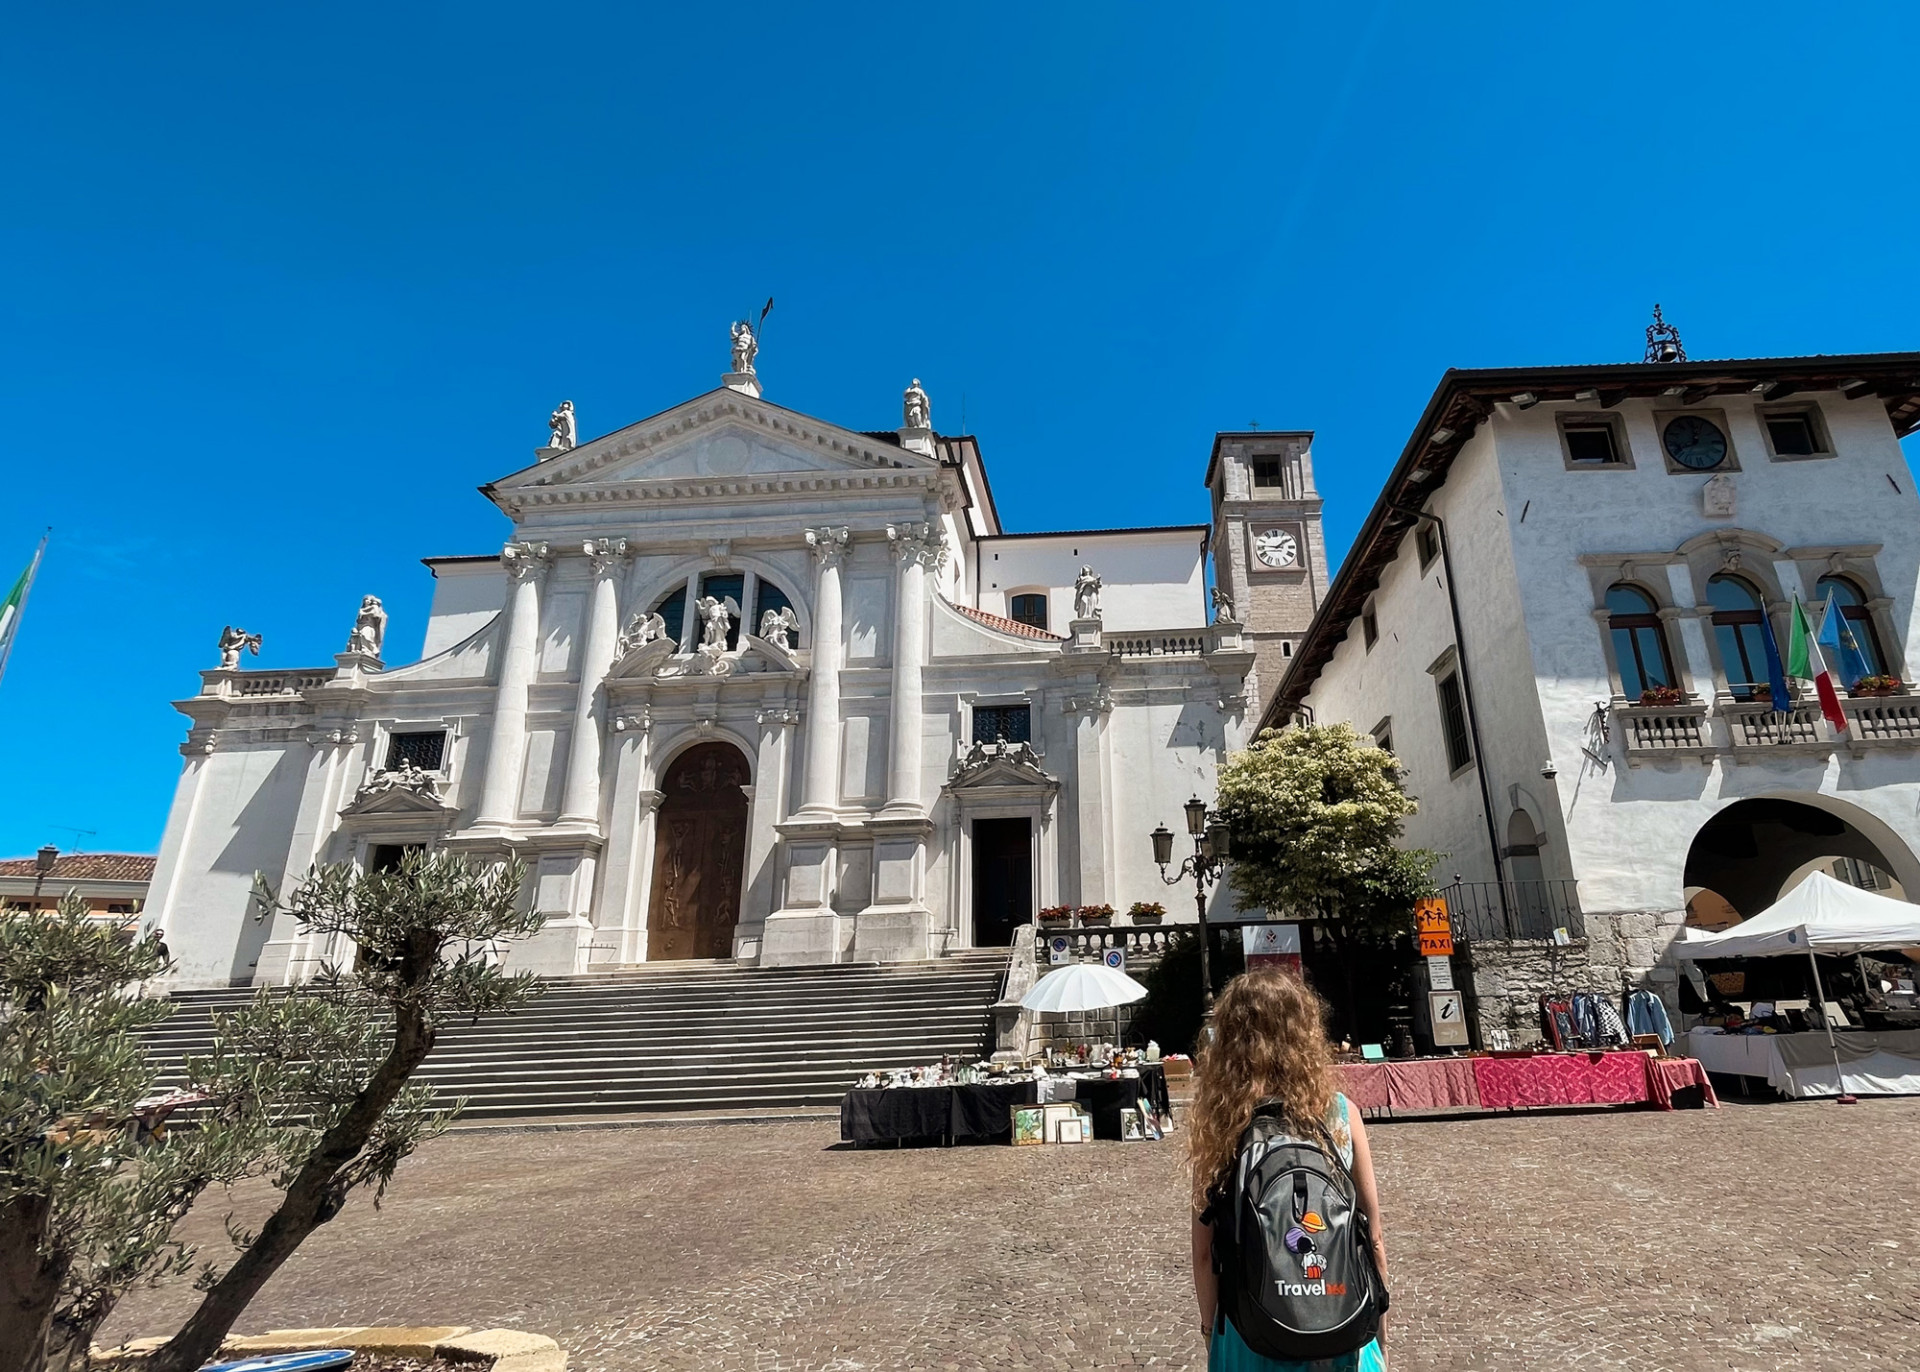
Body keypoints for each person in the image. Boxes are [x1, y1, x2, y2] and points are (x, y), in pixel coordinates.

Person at [1188, 970, 1389, 1370]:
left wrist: (1212, 1335)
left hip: (1251, 1334)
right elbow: (1373, 1236)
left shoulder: (1223, 1120)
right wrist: (1380, 1341)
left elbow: (1204, 1255)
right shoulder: (1339, 1111)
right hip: (1341, 1329)